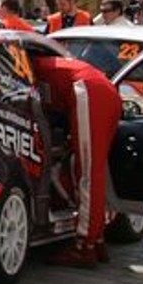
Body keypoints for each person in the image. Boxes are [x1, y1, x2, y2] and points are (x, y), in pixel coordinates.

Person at [33, 49, 124, 267]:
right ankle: (97, 235)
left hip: (88, 91)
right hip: (100, 90)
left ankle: (85, 245)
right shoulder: (46, 60)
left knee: (88, 171)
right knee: (91, 168)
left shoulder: (29, 67)